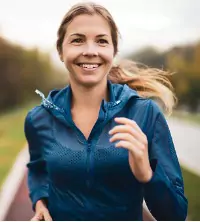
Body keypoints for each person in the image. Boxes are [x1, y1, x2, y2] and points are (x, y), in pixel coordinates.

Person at [24, 2, 188, 221]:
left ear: (113, 51)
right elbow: (38, 168)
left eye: (101, 41)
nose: (90, 51)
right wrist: (40, 200)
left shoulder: (144, 113)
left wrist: (147, 174)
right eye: (77, 40)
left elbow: (175, 215)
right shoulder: (38, 119)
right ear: (61, 51)